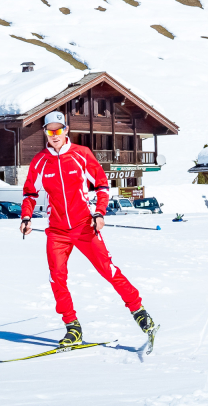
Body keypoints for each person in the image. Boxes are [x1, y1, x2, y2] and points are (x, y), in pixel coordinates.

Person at [20, 112, 155, 347]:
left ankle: (139, 311)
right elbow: (30, 193)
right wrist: (26, 216)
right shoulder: (40, 160)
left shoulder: (81, 154)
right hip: (58, 231)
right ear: (45, 132)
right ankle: (72, 327)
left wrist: (100, 212)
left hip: (84, 226)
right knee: (57, 277)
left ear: (66, 130)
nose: (55, 135)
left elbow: (102, 185)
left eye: (58, 130)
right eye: (50, 131)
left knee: (108, 270)